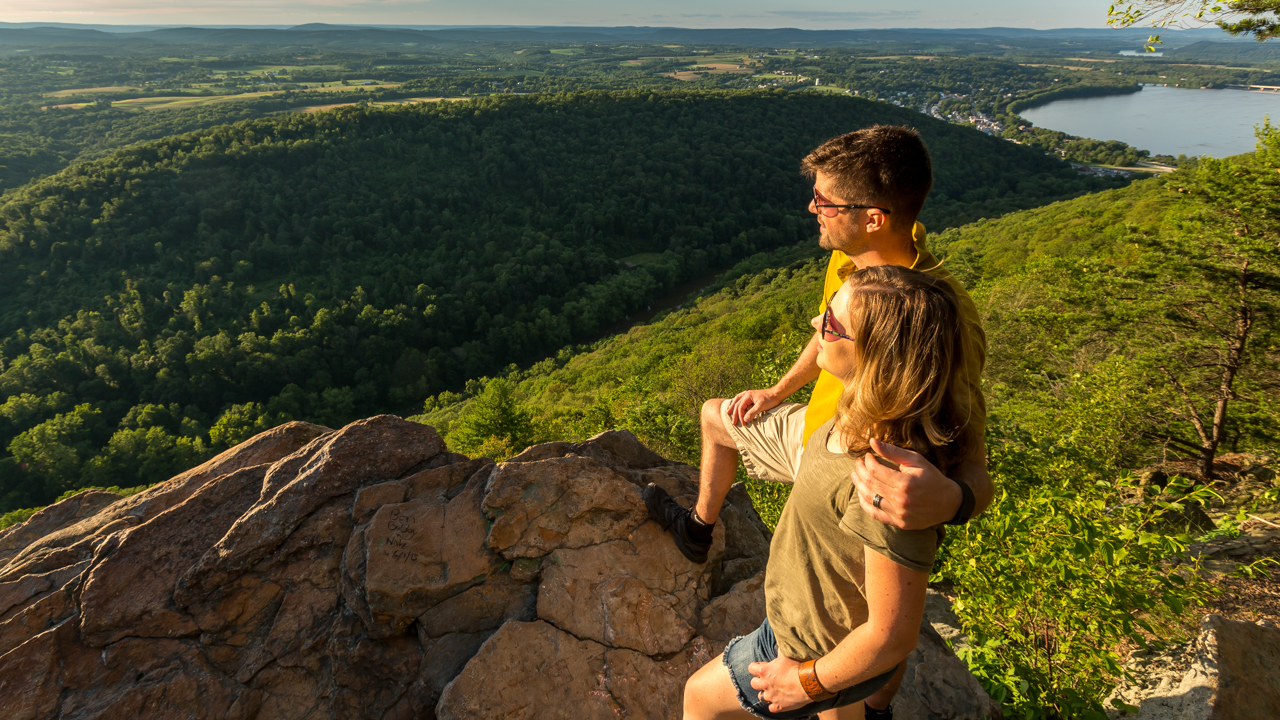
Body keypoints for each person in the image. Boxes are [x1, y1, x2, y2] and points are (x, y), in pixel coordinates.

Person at [644, 125, 991, 719]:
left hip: (858, 467)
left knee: (861, 604)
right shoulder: (855, 262)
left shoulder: (938, 317)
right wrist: (776, 390)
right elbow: (825, 331)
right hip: (823, 436)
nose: (812, 208)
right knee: (719, 416)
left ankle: (867, 698)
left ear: (875, 216)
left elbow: (968, 453)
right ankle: (699, 531)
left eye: (826, 201)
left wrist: (953, 499)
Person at [681, 265, 978, 720]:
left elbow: (892, 634)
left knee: (700, 699)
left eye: (833, 324)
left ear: (878, 358)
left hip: (803, 649)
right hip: (830, 635)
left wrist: (807, 683)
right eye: (826, 311)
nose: (816, 326)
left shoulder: (879, 478)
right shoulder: (862, 417)